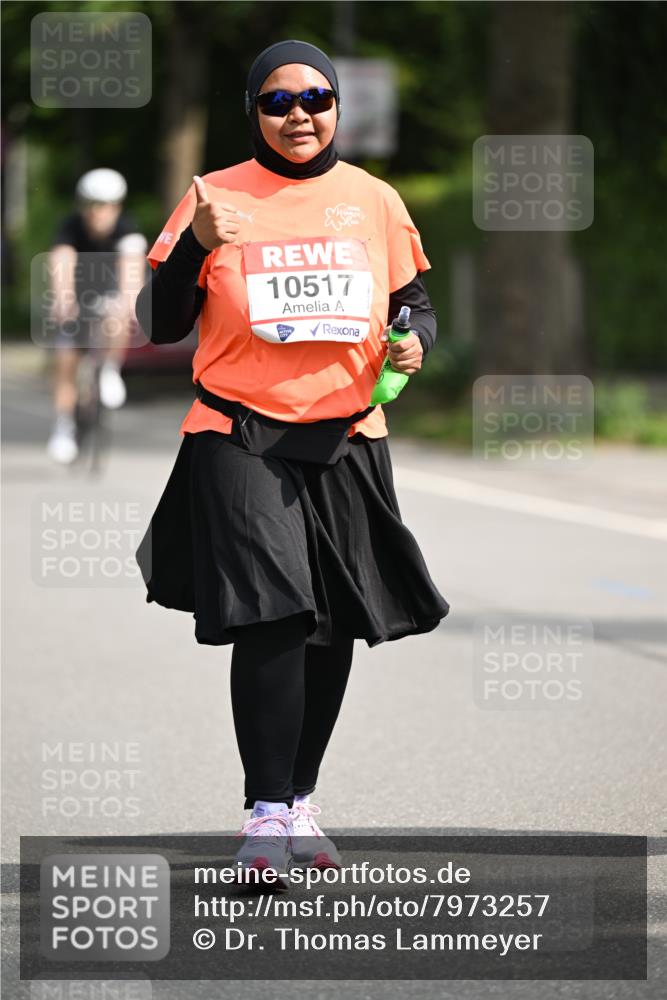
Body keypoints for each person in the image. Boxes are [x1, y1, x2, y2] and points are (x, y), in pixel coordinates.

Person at [134, 39, 450, 889]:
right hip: (236, 432)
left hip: (348, 435)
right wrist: (198, 245)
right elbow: (160, 322)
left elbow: (413, 302)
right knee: (276, 610)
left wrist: (412, 341)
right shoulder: (215, 197)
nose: (299, 115)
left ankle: (300, 798)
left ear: (336, 106)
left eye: (315, 97)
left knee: (330, 620)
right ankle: (265, 814)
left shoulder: (372, 201)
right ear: (254, 113)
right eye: (278, 102)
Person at [46, 168, 148, 464]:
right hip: (76, 301)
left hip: (109, 299)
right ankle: (64, 426)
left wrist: (129, 302)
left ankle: (109, 369)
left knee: (118, 312)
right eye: (89, 204)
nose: (96, 212)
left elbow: (131, 273)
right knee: (65, 362)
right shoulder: (70, 226)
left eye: (103, 205)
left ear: (116, 206)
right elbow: (61, 261)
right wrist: (62, 298)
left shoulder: (127, 230)